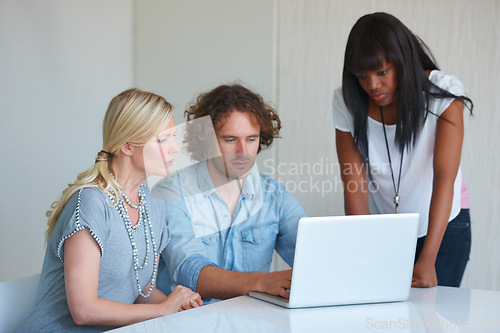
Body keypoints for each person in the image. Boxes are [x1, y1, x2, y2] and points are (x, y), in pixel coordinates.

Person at [18, 89, 202, 332]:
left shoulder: (154, 205)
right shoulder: (90, 202)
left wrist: (181, 305)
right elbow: (84, 311)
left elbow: (142, 294)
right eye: (162, 139)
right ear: (127, 146)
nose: (175, 148)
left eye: (173, 137)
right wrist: (164, 308)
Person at [333, 12, 473, 288]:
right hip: (383, 228)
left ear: (403, 62)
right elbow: (353, 185)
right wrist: (366, 251)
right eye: (362, 76)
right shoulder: (346, 100)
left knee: (436, 323)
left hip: (444, 228)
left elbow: (444, 180)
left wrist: (428, 258)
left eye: (382, 72)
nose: (372, 85)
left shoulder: (441, 92)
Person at [153, 84, 307, 303]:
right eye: (230, 140)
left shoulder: (275, 195)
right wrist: (262, 282)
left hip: (251, 322)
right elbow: (190, 271)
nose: (243, 152)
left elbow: (315, 257)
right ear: (206, 140)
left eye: (251, 139)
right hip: (189, 323)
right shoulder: (171, 193)